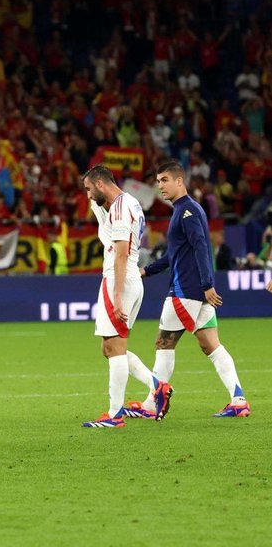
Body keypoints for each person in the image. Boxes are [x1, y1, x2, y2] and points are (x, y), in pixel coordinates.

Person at [139, 161, 250, 418]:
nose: (160, 186)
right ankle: (239, 399)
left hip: (184, 291)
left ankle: (151, 404)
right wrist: (147, 271)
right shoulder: (184, 210)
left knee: (164, 343)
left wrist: (207, 284)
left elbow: (201, 246)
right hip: (195, 292)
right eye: (158, 182)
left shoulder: (187, 210)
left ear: (180, 181)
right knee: (211, 345)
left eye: (165, 180)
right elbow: (174, 255)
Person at [79, 165, 168, 428]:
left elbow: (119, 253)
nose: (87, 196)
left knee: (115, 349)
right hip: (128, 279)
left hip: (119, 280)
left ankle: (115, 414)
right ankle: (157, 386)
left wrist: (117, 296)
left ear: (101, 185)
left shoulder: (118, 210)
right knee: (109, 348)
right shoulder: (130, 203)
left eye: (88, 190)